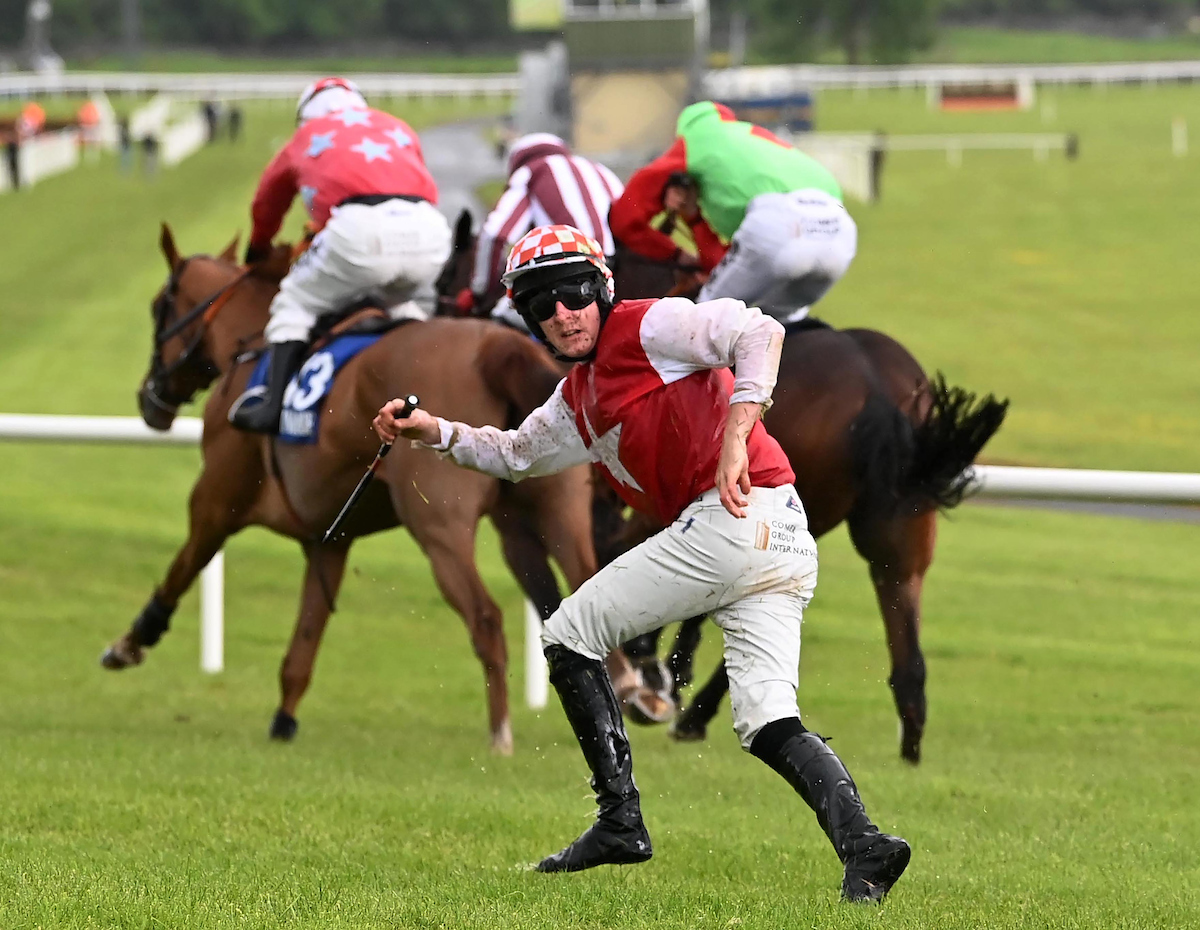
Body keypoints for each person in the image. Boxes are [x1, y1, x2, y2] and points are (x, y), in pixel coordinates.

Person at [372, 224, 910, 901]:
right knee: (766, 719)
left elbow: (760, 334)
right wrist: (436, 433)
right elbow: (513, 455)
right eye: (543, 304)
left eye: (574, 294)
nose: (563, 313)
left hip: (736, 525)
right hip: (777, 533)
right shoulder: (577, 397)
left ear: (601, 290)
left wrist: (737, 437)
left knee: (569, 634)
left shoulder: (650, 325)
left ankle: (620, 821)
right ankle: (867, 847)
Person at [232, 76, 451, 435]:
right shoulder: (395, 125)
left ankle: (271, 406)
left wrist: (257, 249)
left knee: (294, 302)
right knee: (403, 303)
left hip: (358, 231)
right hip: (429, 229)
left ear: (306, 116)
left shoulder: (306, 136)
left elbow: (267, 203)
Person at [610, 101, 858, 324]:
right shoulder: (753, 140)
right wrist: (693, 216)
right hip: (839, 230)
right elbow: (728, 262)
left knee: (703, 321)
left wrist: (675, 253)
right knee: (779, 324)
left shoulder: (695, 141)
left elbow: (623, 219)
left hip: (777, 225)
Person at [460, 132, 623, 331]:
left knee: (502, 315)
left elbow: (496, 236)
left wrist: (481, 293)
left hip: (569, 269)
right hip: (615, 271)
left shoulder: (531, 171)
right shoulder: (599, 168)